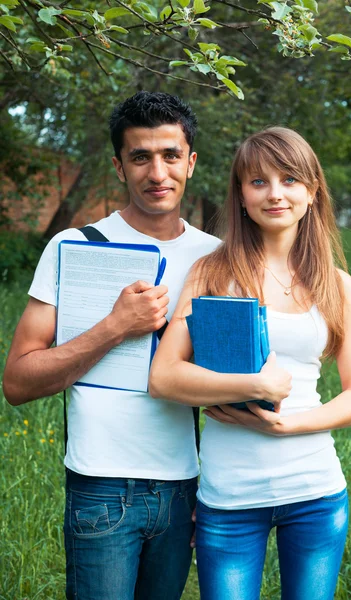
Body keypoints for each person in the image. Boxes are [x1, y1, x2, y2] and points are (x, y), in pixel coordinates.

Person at [3, 91, 220, 600]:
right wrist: (115, 327)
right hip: (100, 487)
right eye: (140, 157)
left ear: (190, 163)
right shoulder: (73, 247)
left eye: (170, 155)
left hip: (184, 485)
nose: (157, 172)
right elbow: (17, 382)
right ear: (119, 166)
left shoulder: (216, 258)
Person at [149, 126, 351, 600]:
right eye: (258, 182)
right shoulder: (213, 273)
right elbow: (165, 376)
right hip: (230, 498)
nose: (275, 193)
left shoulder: (338, 286)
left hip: (315, 492)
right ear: (241, 196)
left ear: (312, 192)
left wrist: (288, 426)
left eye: (290, 179)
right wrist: (255, 384)